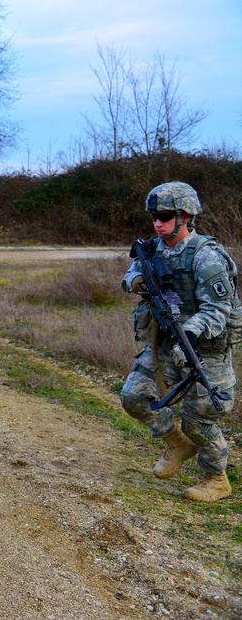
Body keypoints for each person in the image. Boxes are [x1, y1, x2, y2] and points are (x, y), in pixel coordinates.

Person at [120, 181, 238, 502]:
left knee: (199, 418)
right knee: (133, 397)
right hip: (167, 345)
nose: (157, 223)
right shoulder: (154, 249)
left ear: (185, 216)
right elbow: (129, 274)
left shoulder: (207, 258)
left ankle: (216, 478)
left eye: (165, 216)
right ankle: (176, 442)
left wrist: (191, 331)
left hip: (205, 348)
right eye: (154, 216)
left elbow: (218, 310)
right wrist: (137, 279)